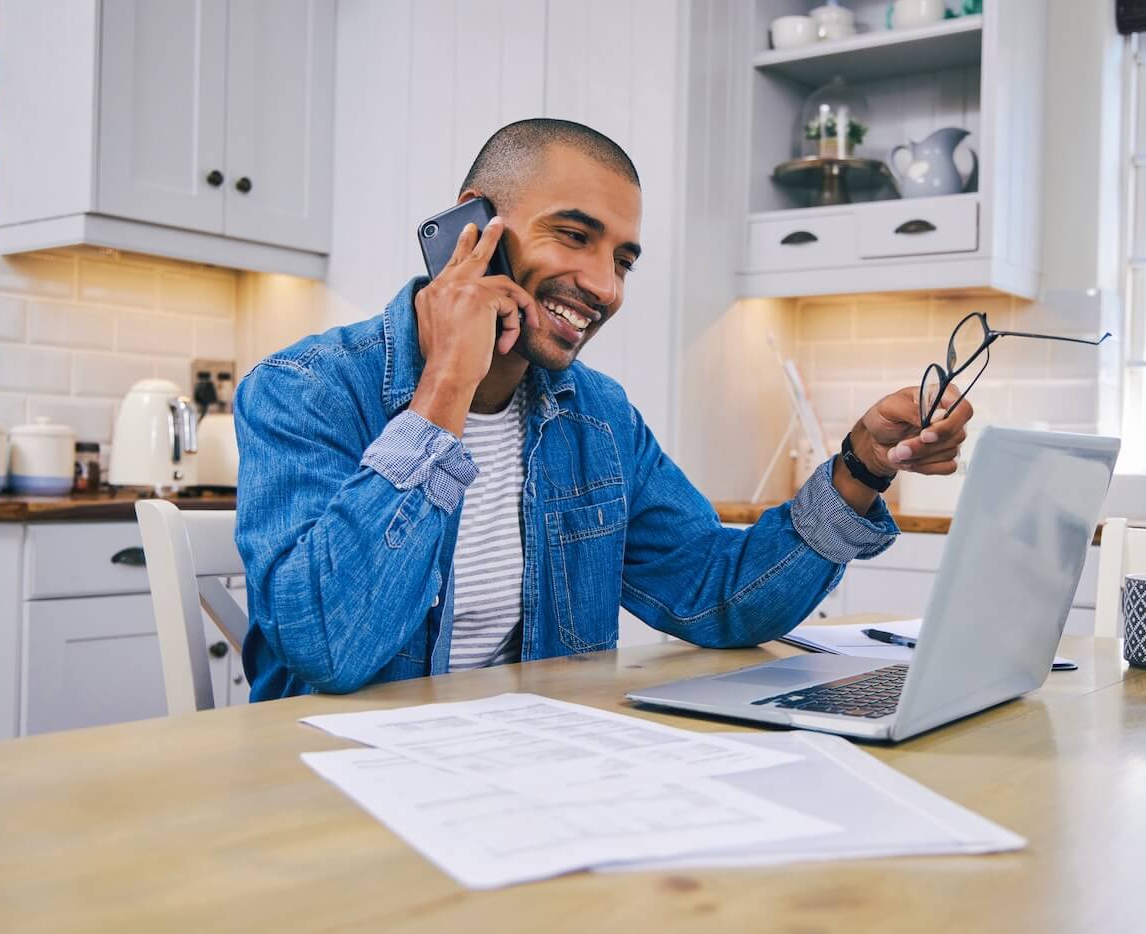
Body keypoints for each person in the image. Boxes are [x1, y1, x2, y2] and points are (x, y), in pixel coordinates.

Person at [234, 118, 972, 700]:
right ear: (472, 231)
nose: (605, 287)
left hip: (529, 777)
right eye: (575, 235)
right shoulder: (305, 390)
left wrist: (859, 471)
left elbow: (717, 594)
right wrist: (446, 389)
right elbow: (328, 647)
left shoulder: (599, 419)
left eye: (621, 259)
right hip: (335, 800)